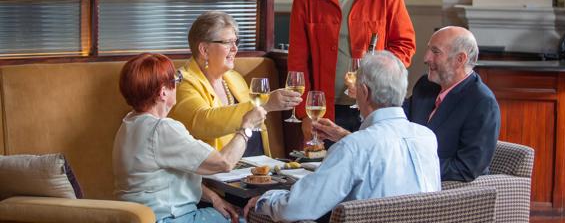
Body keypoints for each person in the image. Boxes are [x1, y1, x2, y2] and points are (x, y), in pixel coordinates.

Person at [243, 51, 440, 222]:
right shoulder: (427, 138)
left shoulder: (354, 147)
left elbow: (296, 208)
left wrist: (264, 200)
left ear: (364, 92)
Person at [288, 0, 416, 140]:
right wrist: (305, 112)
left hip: (374, 106)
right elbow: (298, 61)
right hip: (325, 110)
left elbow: (405, 46)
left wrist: (376, 78)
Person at [113, 53, 266, 223]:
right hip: (169, 219)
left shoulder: (128, 124)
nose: (177, 85)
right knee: (249, 218)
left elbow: (173, 177)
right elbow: (224, 162)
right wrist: (247, 127)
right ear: (163, 92)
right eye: (175, 81)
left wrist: (214, 198)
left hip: (143, 217)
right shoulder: (162, 129)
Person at [169, 11, 301, 156]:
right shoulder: (183, 83)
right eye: (227, 43)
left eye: (235, 42)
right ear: (204, 50)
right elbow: (203, 122)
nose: (235, 49)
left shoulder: (234, 78)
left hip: (256, 169)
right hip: (216, 172)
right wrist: (265, 103)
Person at [403, 26, 501, 182]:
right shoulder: (425, 85)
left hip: (446, 195)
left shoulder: (482, 103)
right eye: (429, 50)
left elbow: (467, 168)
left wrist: (408, 167)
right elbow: (398, 120)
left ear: (460, 59)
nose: (426, 58)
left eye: (435, 52)